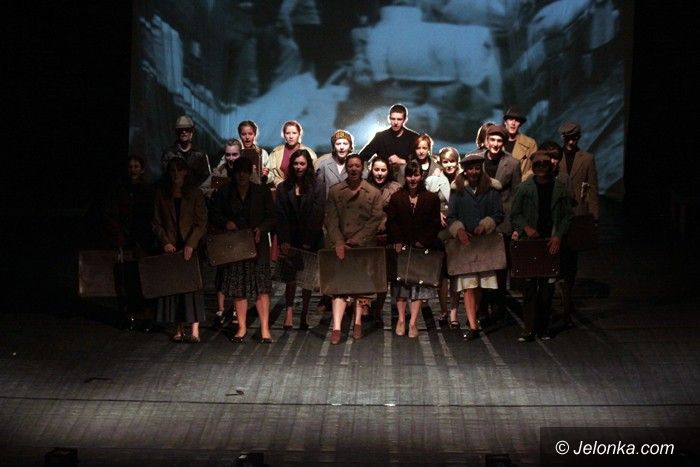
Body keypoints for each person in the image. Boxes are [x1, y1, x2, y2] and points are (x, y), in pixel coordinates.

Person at [210, 157, 276, 343]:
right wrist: (226, 223)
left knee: (262, 289)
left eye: (245, 172)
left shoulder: (262, 191)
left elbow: (272, 217)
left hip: (257, 246)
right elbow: (214, 214)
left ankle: (264, 329)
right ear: (234, 173)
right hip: (236, 246)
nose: (242, 175)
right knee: (239, 289)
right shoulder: (224, 192)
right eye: (239, 172)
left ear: (250, 173)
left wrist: (261, 229)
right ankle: (241, 327)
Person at [510, 151, 573, 341]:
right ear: (533, 166)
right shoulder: (524, 188)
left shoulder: (560, 189)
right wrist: (526, 228)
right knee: (529, 287)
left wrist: (558, 236)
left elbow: (567, 216)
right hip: (530, 243)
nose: (541, 168)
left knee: (547, 289)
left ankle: (544, 328)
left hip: (550, 241)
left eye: (544, 164)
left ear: (550, 165)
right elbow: (515, 214)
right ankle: (529, 328)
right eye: (537, 164)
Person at [324, 153, 384, 344]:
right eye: (350, 166)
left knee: (360, 287)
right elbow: (331, 220)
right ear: (346, 168)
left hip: (363, 246)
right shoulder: (335, 191)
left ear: (362, 168)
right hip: (340, 246)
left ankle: (357, 322)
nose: (354, 169)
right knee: (338, 287)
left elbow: (375, 220)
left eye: (357, 165)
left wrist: (356, 241)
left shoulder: (373, 192)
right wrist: (339, 242)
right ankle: (337, 327)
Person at [447, 153, 504, 341]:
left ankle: (475, 317)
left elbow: (498, 214)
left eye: (477, 168)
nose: (473, 172)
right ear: (465, 170)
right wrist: (459, 230)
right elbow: (451, 216)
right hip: (465, 244)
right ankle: (472, 326)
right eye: (470, 168)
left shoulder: (491, 189)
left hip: (484, 244)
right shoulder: (457, 189)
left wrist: (486, 224)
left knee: (480, 285)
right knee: (468, 285)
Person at [152, 158, 208, 343]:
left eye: (179, 170)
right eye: (172, 171)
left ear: (185, 172)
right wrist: (165, 242)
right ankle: (178, 328)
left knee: (193, 288)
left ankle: (195, 329)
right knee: (175, 288)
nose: (176, 174)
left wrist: (191, 244)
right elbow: (156, 222)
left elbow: (201, 223)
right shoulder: (162, 194)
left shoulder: (195, 193)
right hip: (171, 247)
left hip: (190, 246)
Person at [386, 160, 442, 338]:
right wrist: (397, 240)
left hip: (422, 247)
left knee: (418, 285)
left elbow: (435, 223)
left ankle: (413, 322)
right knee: (400, 285)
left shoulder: (432, 198)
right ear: (405, 177)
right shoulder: (397, 197)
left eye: (416, 175)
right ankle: (402, 319)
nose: (412, 179)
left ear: (421, 176)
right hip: (401, 247)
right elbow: (392, 222)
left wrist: (423, 241)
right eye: (409, 175)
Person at [103, 155, 158, 331]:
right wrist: (119, 239)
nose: (133, 169)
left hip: (143, 239)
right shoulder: (119, 190)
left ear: (142, 169)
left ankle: (147, 316)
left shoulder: (148, 190)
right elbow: (112, 215)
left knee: (145, 278)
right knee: (126, 280)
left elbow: (152, 214)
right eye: (130, 166)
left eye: (136, 166)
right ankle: (129, 316)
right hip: (125, 240)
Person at [275, 149, 325, 330]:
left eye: (302, 163)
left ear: (308, 165)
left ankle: (304, 313)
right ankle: (289, 311)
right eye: (296, 163)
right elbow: (280, 215)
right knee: (291, 278)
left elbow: (318, 213)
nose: (299, 167)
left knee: (307, 279)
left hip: (311, 238)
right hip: (291, 239)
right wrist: (284, 240)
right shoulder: (283, 187)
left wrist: (308, 240)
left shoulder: (318, 185)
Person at [557, 122, 600, 326]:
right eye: (568, 138)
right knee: (558, 255)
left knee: (572, 258)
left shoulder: (587, 158)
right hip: (558, 214)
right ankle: (562, 294)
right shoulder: (555, 157)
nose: (571, 141)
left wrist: (594, 217)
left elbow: (592, 188)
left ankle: (567, 295)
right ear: (563, 138)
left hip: (577, 214)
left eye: (574, 138)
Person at [479, 124, 521, 324]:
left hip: (502, 220)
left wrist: (515, 226)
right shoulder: (476, 159)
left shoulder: (512, 163)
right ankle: (482, 308)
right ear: (486, 141)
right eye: (492, 140)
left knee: (500, 267)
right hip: (479, 219)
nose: (495, 144)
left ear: (503, 143)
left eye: (499, 141)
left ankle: (499, 307)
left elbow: (516, 195)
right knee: (480, 265)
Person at [424, 147, 462, 327]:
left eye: (452, 161)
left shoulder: (463, 179)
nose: (449, 165)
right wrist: (436, 213)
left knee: (456, 272)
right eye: (445, 161)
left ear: (457, 161)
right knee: (442, 274)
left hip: (458, 228)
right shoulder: (435, 178)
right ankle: (444, 310)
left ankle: (454, 312)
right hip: (440, 229)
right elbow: (427, 200)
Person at [365, 156, 401, 326]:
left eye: (383, 170)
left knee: (384, 275)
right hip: (368, 237)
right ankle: (365, 305)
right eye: (377, 170)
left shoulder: (395, 188)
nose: (379, 173)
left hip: (388, 237)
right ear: (371, 170)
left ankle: (378, 309)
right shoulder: (364, 186)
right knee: (367, 273)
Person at [358, 104, 419, 184]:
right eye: (393, 119)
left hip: (406, 181)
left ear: (405, 120)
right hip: (382, 180)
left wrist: (402, 161)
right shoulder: (380, 137)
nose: (395, 122)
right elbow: (362, 156)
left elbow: (420, 161)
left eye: (399, 119)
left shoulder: (414, 137)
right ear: (389, 118)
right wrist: (366, 172)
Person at [161, 115, 211, 186]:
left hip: (194, 191)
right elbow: (165, 178)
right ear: (177, 132)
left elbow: (206, 178)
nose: (184, 132)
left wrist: (196, 191)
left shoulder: (200, 154)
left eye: (187, 129)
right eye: (181, 129)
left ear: (192, 131)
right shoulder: (168, 153)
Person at [267, 120, 317, 188]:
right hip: (281, 188)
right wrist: (280, 184)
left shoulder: (310, 153)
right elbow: (270, 173)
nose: (291, 136)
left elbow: (314, 173)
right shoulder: (276, 152)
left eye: (294, 133)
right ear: (284, 135)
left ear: (299, 134)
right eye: (287, 133)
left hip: (304, 189)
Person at [315, 129, 354, 197]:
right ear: (334, 147)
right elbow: (318, 192)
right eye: (338, 144)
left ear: (350, 146)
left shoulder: (357, 165)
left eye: (345, 144)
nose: (341, 147)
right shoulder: (324, 165)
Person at [502, 106, 538, 180]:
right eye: (511, 119)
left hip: (520, 184)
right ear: (505, 122)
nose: (513, 123)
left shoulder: (530, 143)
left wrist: (521, 180)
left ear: (520, 124)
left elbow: (535, 167)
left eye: (517, 120)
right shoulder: (496, 141)